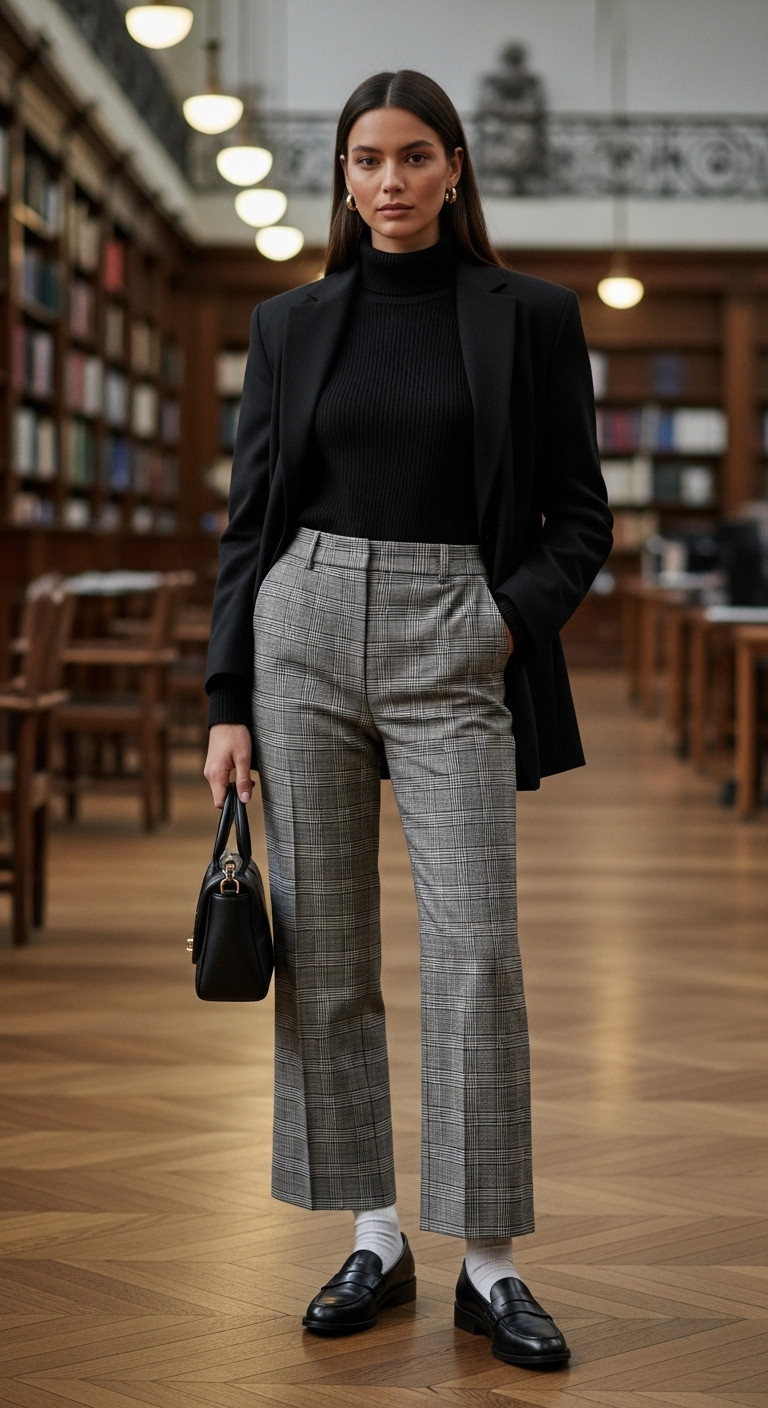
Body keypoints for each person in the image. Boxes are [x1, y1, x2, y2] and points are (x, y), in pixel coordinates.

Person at [204, 69, 612, 1370]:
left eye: (413, 157)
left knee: (477, 947)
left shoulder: (531, 317)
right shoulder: (289, 325)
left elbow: (581, 516)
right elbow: (248, 523)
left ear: (453, 168)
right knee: (325, 953)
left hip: (459, 634)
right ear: (343, 175)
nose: (389, 181)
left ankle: (487, 1264)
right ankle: (376, 1235)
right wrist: (226, 699)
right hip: (304, 628)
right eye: (366, 159)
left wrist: (502, 619)